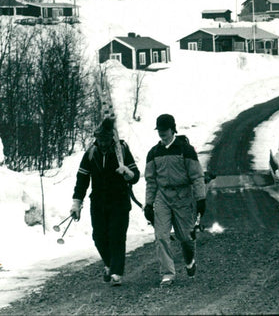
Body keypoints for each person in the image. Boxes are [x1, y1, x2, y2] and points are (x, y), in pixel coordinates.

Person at [70, 116, 140, 287]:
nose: (102, 143)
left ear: (111, 138)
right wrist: (76, 203)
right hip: (98, 203)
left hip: (119, 201)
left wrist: (127, 173)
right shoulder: (91, 153)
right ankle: (109, 264)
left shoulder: (121, 150)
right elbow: (82, 179)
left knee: (116, 235)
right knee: (99, 237)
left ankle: (116, 272)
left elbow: (135, 175)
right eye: (99, 139)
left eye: (105, 140)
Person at [144, 113, 206, 286]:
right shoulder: (153, 153)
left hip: (183, 196)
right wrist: (149, 204)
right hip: (162, 197)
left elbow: (197, 176)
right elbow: (150, 181)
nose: (162, 133)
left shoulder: (185, 149)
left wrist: (201, 198)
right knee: (161, 235)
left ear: (172, 129)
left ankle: (189, 259)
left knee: (185, 237)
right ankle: (167, 274)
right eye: (160, 130)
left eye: (165, 130)